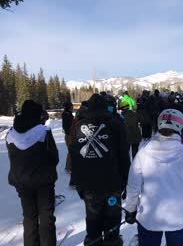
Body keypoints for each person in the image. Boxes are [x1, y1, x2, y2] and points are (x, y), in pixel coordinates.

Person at [124, 109, 183, 246]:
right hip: (177, 215)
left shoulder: (143, 153)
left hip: (149, 216)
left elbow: (133, 187)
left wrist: (131, 208)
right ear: (180, 127)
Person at [70, 94, 130, 245]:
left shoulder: (79, 126)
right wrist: (127, 181)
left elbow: (75, 158)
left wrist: (78, 183)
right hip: (113, 183)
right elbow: (124, 155)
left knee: (93, 224)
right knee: (112, 223)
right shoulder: (117, 124)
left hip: (90, 186)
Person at [6, 100, 59, 246]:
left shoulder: (10, 134)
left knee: (29, 217)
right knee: (46, 216)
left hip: (22, 181)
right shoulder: (43, 132)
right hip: (43, 181)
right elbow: (54, 157)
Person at [62, 101, 74, 174]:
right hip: (69, 135)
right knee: (70, 151)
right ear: (68, 107)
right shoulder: (67, 114)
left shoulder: (67, 114)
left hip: (69, 135)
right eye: (71, 106)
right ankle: (68, 168)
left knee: (71, 151)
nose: (72, 107)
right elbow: (69, 126)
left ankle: (70, 166)